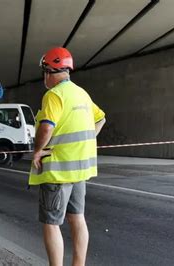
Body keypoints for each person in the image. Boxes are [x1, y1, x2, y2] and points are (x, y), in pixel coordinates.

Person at [29, 47, 106, 266]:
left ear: (48, 70)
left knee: (51, 223)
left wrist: (37, 151)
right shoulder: (81, 93)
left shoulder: (54, 95)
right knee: (77, 219)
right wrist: (87, 140)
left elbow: (46, 127)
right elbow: (101, 119)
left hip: (59, 170)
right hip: (79, 169)